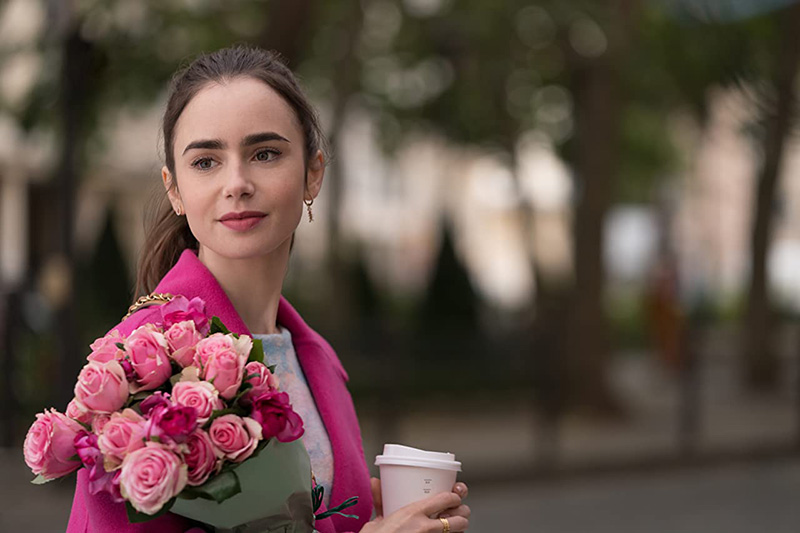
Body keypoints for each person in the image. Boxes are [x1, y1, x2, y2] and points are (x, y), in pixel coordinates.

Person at [66, 46, 471, 533]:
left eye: (265, 154)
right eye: (206, 162)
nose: (236, 183)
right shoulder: (137, 365)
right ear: (174, 189)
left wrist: (357, 510)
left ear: (312, 173)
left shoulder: (316, 357)